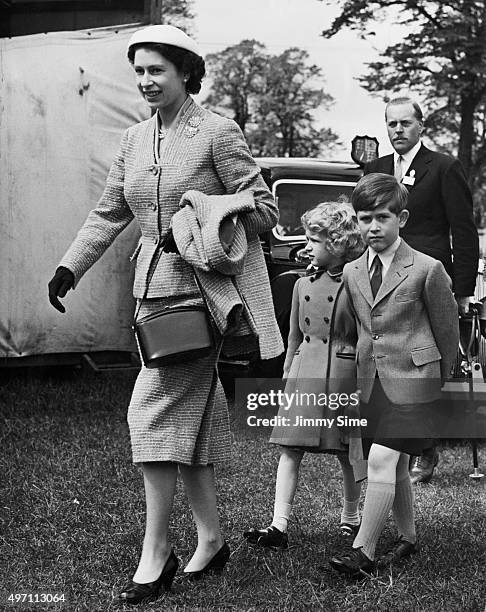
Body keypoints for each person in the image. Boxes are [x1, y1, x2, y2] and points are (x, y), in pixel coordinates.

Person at [47, 24, 282, 605]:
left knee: (147, 415)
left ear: (185, 72)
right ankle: (212, 539)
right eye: (139, 72)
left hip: (202, 300)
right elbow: (108, 214)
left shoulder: (217, 133)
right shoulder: (133, 140)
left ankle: (156, 554)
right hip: (151, 296)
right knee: (192, 423)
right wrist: (69, 267)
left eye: (157, 70)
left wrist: (198, 221)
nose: (146, 82)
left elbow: (264, 211)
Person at [329, 173, 459, 577]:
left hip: (416, 380)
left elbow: (447, 330)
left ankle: (362, 552)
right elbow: (354, 332)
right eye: (364, 218)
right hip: (372, 380)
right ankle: (408, 537)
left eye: (382, 217)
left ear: (401, 218)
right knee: (395, 465)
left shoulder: (427, 268)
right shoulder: (351, 272)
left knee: (383, 458)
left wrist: (440, 385)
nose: (373, 227)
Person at [364, 96, 479, 484]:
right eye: (391, 124)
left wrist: (462, 288)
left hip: (429, 280)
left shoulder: (444, 167)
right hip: (383, 278)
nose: (398, 130)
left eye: (405, 123)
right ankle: (385, 439)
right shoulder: (375, 169)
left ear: (420, 125)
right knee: (388, 357)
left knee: (422, 359)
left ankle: (424, 452)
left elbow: (463, 230)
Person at [243, 201, 366, 549]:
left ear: (338, 243)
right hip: (305, 371)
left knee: (347, 451)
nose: (307, 245)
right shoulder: (300, 285)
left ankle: (351, 516)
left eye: (315, 239)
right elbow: (294, 336)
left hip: (343, 375)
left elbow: (363, 335)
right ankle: (278, 524)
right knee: (289, 447)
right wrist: (288, 374)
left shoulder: (355, 284)